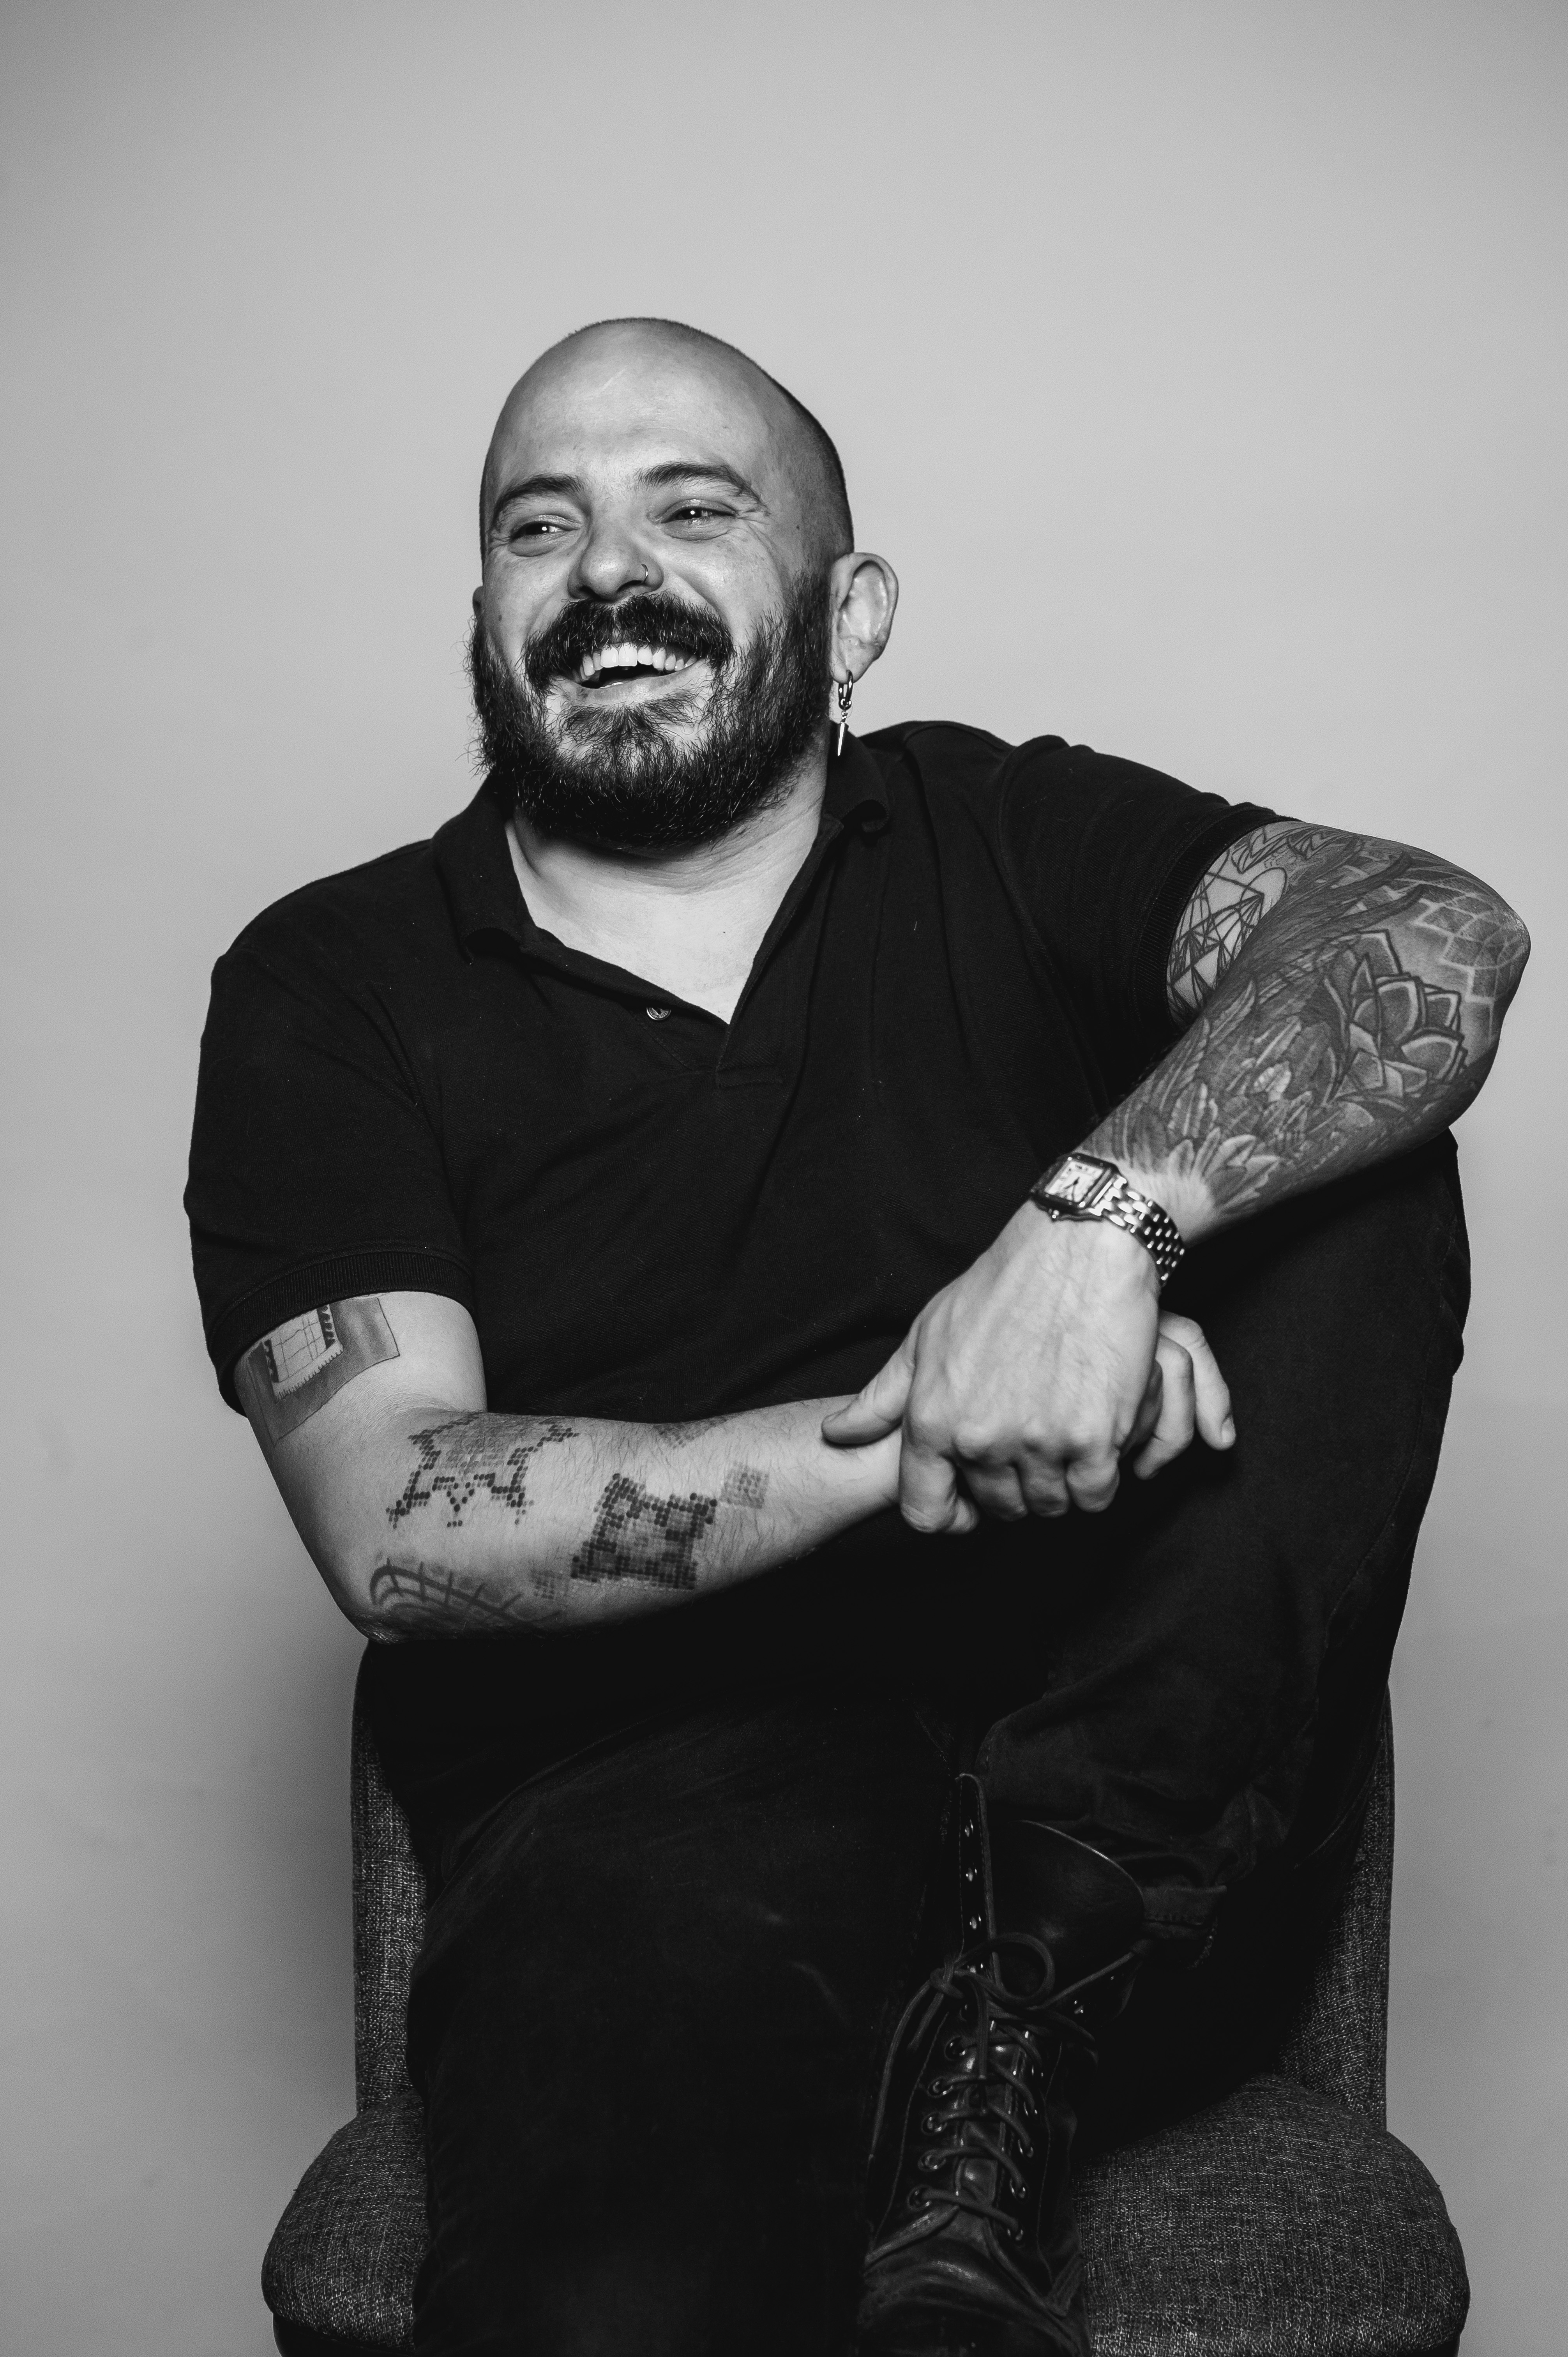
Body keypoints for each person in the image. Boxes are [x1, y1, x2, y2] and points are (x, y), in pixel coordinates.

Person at [185, 316, 1527, 2357]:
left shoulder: (1004, 832)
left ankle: (1011, 2029)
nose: (605, 571)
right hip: (646, 1822)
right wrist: (924, 1426)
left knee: (1345, 1130)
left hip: (1120, 1813)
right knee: (621, 2249)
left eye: (691, 511)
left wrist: (1098, 1230)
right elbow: (396, 1519)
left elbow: (1430, 933)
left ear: (854, 613)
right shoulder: (333, 981)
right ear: (485, 615)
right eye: (539, 527)